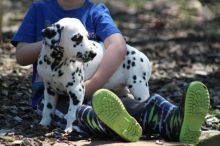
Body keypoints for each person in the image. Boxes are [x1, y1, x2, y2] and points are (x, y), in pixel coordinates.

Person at [11, 0, 210, 144]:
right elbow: (21, 56)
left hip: (101, 93)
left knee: (130, 106)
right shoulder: (39, 9)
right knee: (82, 114)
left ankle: (174, 118)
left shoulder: (95, 11)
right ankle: (131, 125)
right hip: (54, 100)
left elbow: (117, 47)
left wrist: (93, 85)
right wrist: (53, 41)